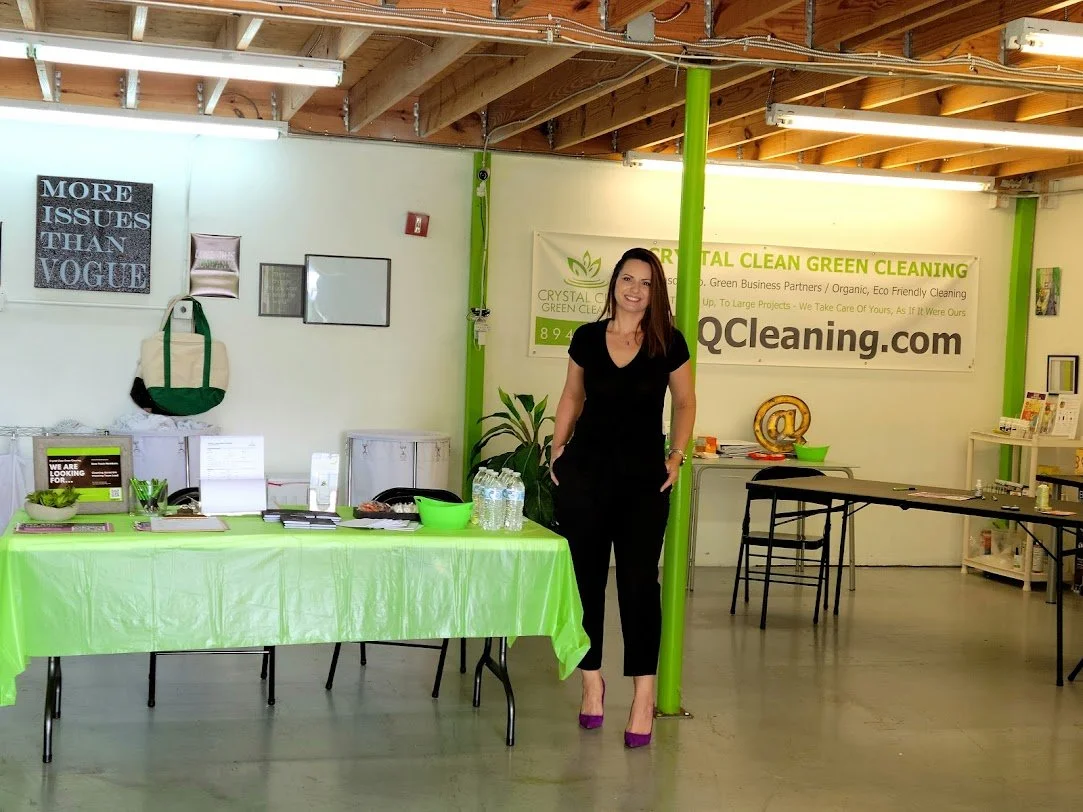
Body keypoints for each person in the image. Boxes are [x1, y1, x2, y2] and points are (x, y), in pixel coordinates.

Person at [550, 247, 696, 749]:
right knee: (585, 582)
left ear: (656, 292)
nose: (635, 289)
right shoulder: (587, 338)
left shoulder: (668, 342)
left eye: (647, 282)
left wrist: (677, 455)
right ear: (614, 282)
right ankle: (592, 682)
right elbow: (572, 395)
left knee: (638, 586)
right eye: (628, 279)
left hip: (642, 482)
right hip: (585, 477)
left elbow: (685, 402)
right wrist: (557, 449)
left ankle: (643, 696)